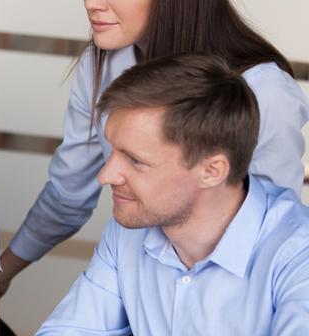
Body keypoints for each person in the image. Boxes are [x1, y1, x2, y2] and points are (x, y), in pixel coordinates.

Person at [0, 0, 309, 295]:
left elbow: (272, 238)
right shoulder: (103, 62)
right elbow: (69, 194)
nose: (92, 1)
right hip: (137, 288)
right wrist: (2, 272)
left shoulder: (262, 91)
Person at [36, 53, 309, 335]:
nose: (105, 176)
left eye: (135, 160)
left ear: (212, 171)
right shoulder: (129, 230)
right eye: (113, 151)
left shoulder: (298, 254)